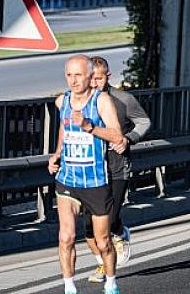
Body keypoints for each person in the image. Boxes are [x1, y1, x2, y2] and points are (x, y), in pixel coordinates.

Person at [47, 55, 126, 294]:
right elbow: (63, 127)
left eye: (78, 75)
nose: (73, 80)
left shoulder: (101, 102)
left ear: (91, 77)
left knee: (103, 241)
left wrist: (90, 127)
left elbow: (117, 136)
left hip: (95, 182)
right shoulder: (63, 101)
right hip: (68, 179)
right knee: (66, 237)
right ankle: (69, 287)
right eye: (69, 75)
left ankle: (111, 282)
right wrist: (57, 153)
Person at [85, 56, 151, 283]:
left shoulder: (124, 99)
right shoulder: (82, 101)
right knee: (88, 228)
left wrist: (128, 139)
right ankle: (102, 264)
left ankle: (120, 232)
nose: (95, 83)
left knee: (108, 220)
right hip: (91, 170)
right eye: (92, 79)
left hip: (117, 168)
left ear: (108, 76)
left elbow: (143, 122)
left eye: (100, 78)